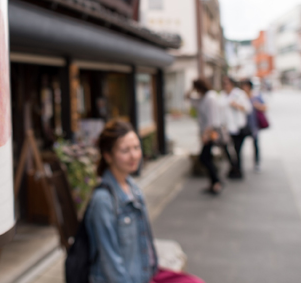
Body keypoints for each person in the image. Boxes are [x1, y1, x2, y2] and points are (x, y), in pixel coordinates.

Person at [85, 119, 204, 283]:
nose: (134, 155)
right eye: (125, 150)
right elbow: (110, 263)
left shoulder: (132, 187)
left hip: (144, 274)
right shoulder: (103, 201)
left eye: (136, 147)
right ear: (108, 156)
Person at [186, 79, 222, 194]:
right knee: (207, 157)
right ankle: (214, 182)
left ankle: (216, 181)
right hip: (206, 132)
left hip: (210, 132)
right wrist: (191, 89)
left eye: (196, 87)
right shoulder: (203, 97)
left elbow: (212, 119)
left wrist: (206, 135)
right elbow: (187, 97)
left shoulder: (210, 98)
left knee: (204, 157)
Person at [218, 77, 252, 179]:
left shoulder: (239, 94)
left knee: (237, 150)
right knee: (226, 148)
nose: (225, 85)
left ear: (232, 84)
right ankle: (233, 167)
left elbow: (248, 109)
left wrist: (236, 105)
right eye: (224, 83)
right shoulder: (222, 95)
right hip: (226, 128)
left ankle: (238, 170)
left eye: (227, 83)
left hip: (238, 127)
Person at [240, 80, 267, 172]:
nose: (245, 88)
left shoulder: (256, 96)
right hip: (243, 125)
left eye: (246, 86)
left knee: (255, 144)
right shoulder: (241, 97)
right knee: (239, 145)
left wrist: (257, 105)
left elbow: (265, 107)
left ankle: (256, 163)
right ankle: (239, 164)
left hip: (254, 125)